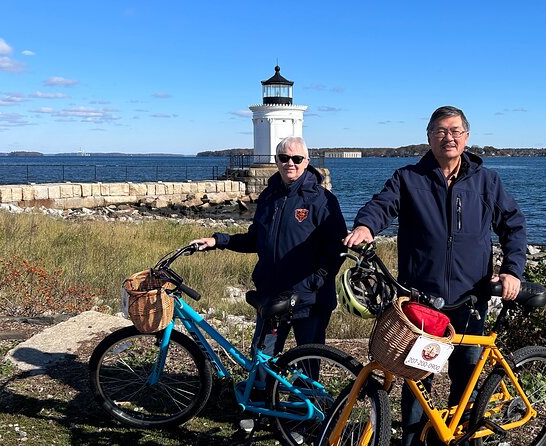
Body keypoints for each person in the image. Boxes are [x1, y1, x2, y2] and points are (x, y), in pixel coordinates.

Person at [343, 106, 527, 446]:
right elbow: (382, 205)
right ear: (429, 137)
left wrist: (513, 270)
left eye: (456, 130)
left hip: (471, 298)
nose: (449, 137)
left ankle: (461, 439)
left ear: (467, 137)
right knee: (418, 379)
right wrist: (366, 226)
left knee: (466, 375)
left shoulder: (487, 182)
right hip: (423, 301)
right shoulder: (408, 178)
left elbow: (513, 226)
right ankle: (414, 441)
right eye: (441, 131)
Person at [191, 136, 347, 358]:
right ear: (276, 160)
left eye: (296, 158)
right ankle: (262, 393)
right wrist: (219, 241)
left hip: (309, 300)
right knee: (263, 362)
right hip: (271, 296)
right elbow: (256, 240)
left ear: (307, 161)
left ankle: (306, 394)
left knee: (308, 363)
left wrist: (316, 281)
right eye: (284, 158)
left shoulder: (323, 200)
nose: (289, 163)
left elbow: (337, 248)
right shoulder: (268, 196)